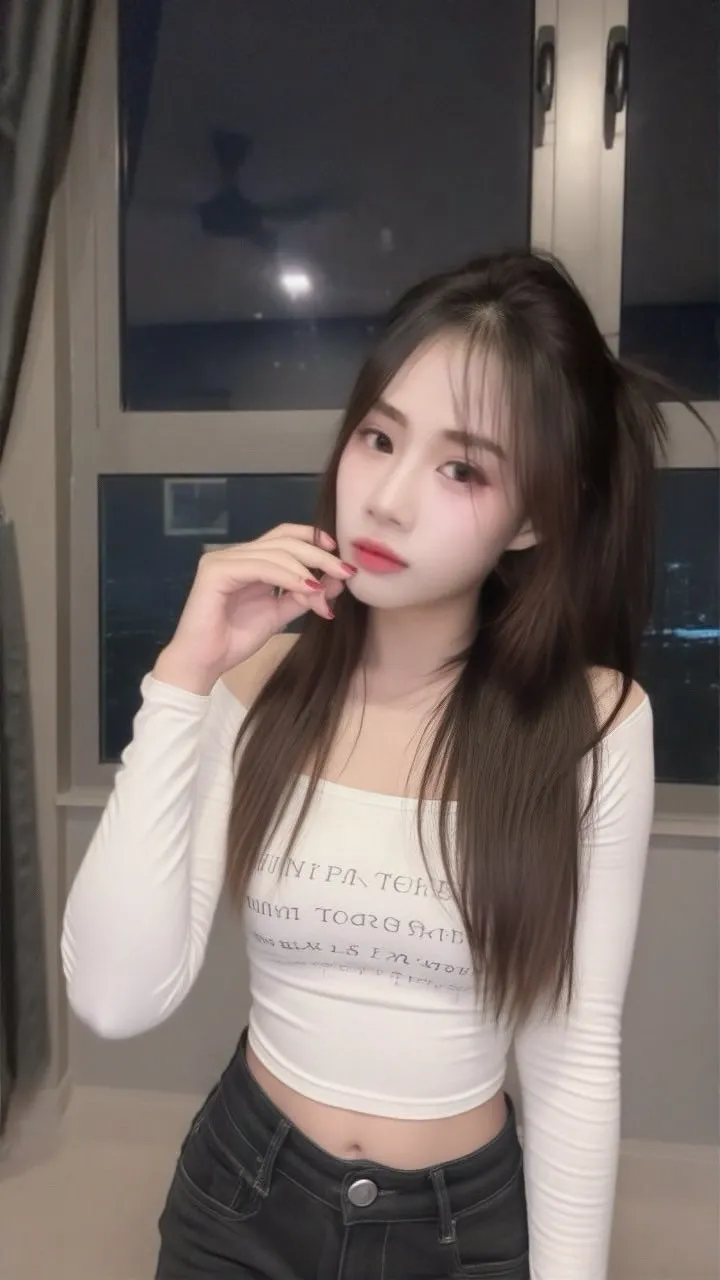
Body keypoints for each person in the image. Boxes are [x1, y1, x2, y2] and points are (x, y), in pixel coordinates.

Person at [61, 250, 663, 1279]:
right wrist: (184, 675)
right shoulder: (255, 685)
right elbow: (116, 999)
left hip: (459, 1228)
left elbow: (572, 1055)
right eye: (379, 437)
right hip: (240, 1197)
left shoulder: (593, 725)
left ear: (533, 518)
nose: (384, 499)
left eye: (461, 469)